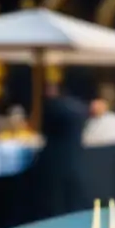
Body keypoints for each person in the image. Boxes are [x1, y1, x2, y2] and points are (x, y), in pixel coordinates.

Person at [29, 83, 89, 219]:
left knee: (54, 197)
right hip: (75, 157)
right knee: (71, 194)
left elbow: (44, 130)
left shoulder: (52, 107)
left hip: (55, 157)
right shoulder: (80, 107)